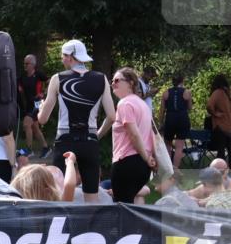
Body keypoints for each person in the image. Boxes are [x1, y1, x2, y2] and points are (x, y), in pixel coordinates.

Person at [37, 39, 116, 203]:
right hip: (89, 142)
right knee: (92, 199)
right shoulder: (101, 79)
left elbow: (43, 120)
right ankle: (90, 229)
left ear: (71, 57)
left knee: (59, 196)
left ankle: (62, 228)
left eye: (63, 56)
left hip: (65, 141)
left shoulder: (57, 79)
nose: (62, 59)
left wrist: (40, 109)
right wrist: (97, 135)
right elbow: (112, 116)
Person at [109, 67, 157, 204]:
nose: (113, 83)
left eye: (117, 80)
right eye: (112, 81)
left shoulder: (124, 103)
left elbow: (134, 134)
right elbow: (150, 134)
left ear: (130, 83)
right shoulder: (143, 105)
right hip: (143, 167)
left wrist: (147, 158)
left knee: (122, 208)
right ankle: (136, 226)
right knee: (131, 205)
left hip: (127, 163)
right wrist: (150, 159)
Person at [17, 54, 49, 156]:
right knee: (34, 127)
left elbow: (51, 82)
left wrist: (44, 93)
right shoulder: (22, 76)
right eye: (24, 63)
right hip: (29, 105)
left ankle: (29, 150)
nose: (25, 65)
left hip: (38, 103)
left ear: (33, 64)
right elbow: (18, 88)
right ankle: (46, 148)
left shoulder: (39, 74)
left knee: (26, 124)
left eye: (27, 63)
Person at [161, 73, 192, 170]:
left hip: (170, 118)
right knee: (179, 146)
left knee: (167, 144)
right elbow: (190, 108)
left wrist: (161, 122)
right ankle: (175, 169)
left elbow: (162, 110)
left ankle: (168, 168)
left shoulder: (166, 93)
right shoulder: (187, 92)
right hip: (182, 119)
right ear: (182, 81)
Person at [206, 74, 231, 162]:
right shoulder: (227, 93)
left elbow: (209, 105)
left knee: (221, 152)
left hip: (220, 126)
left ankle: (220, 171)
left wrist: (215, 114)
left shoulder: (217, 92)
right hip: (228, 127)